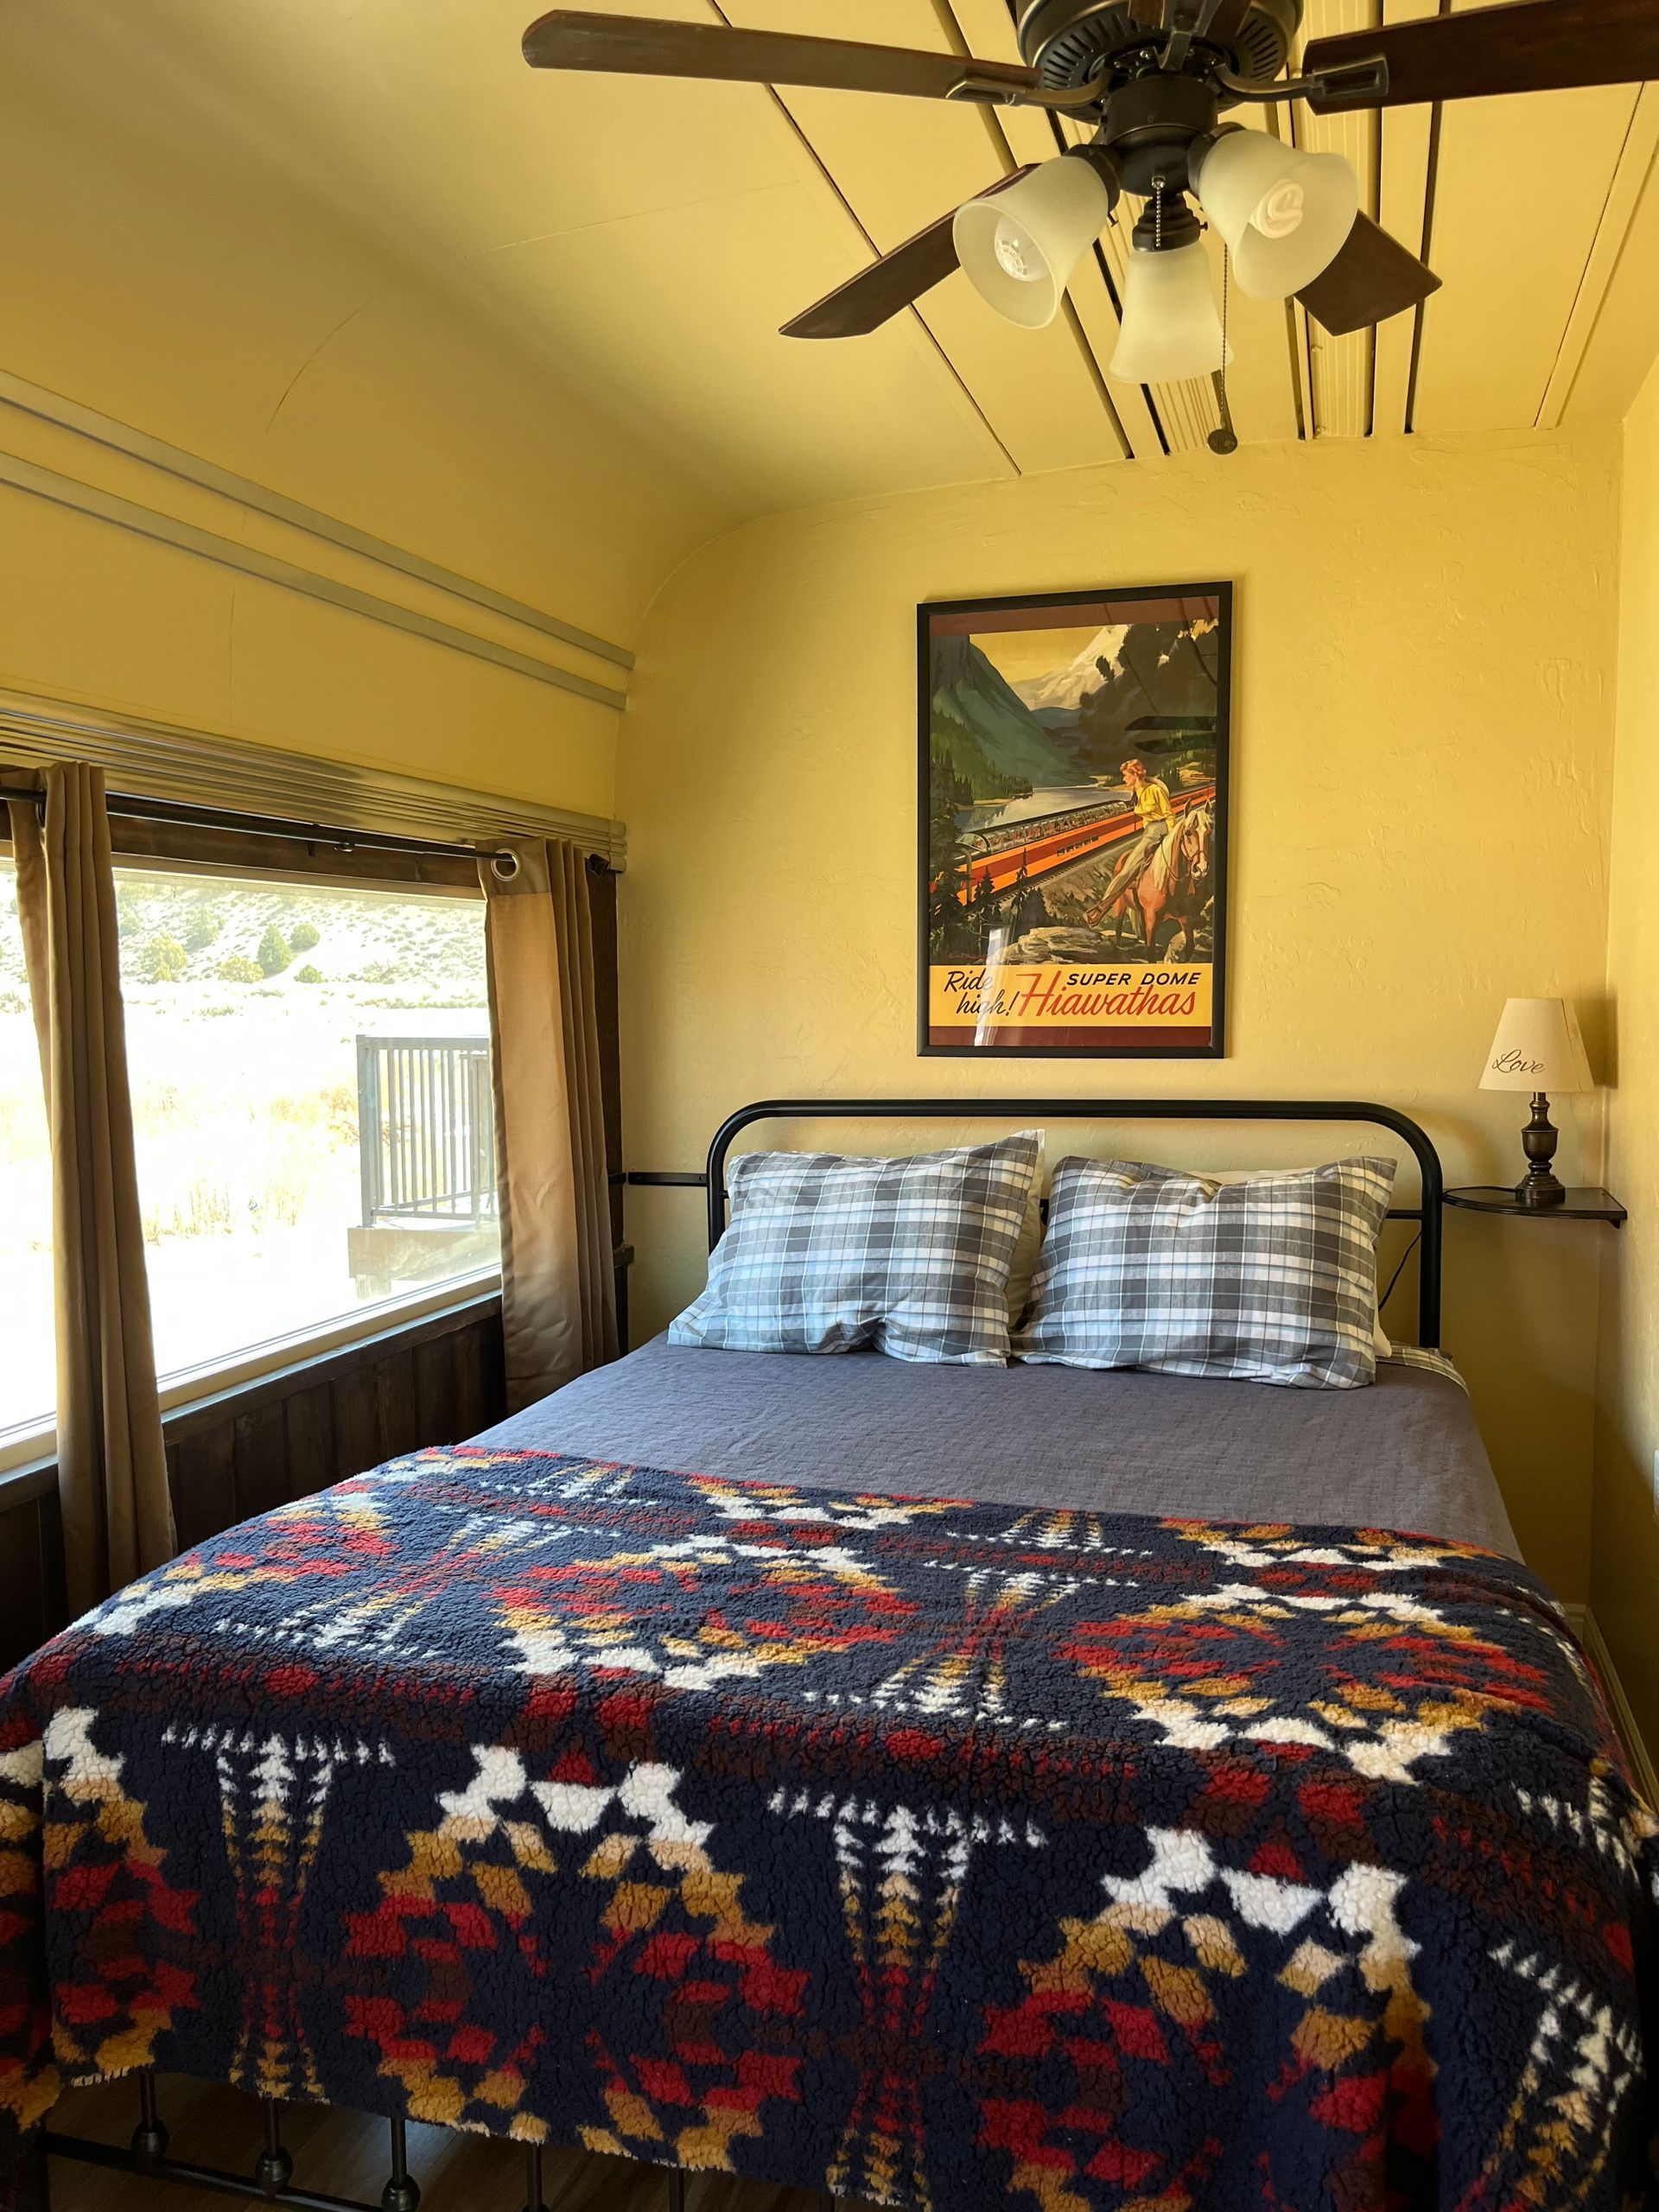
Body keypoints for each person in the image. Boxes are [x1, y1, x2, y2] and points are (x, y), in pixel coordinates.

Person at [1085, 758, 1176, 927]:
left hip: (1159, 830)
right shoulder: (1137, 793)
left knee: (1126, 871)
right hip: (1149, 831)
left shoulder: (1155, 790)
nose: (1123, 779)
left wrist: (1170, 837)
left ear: (1135, 774)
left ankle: (1101, 908)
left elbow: (1169, 814)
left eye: (1126, 775)